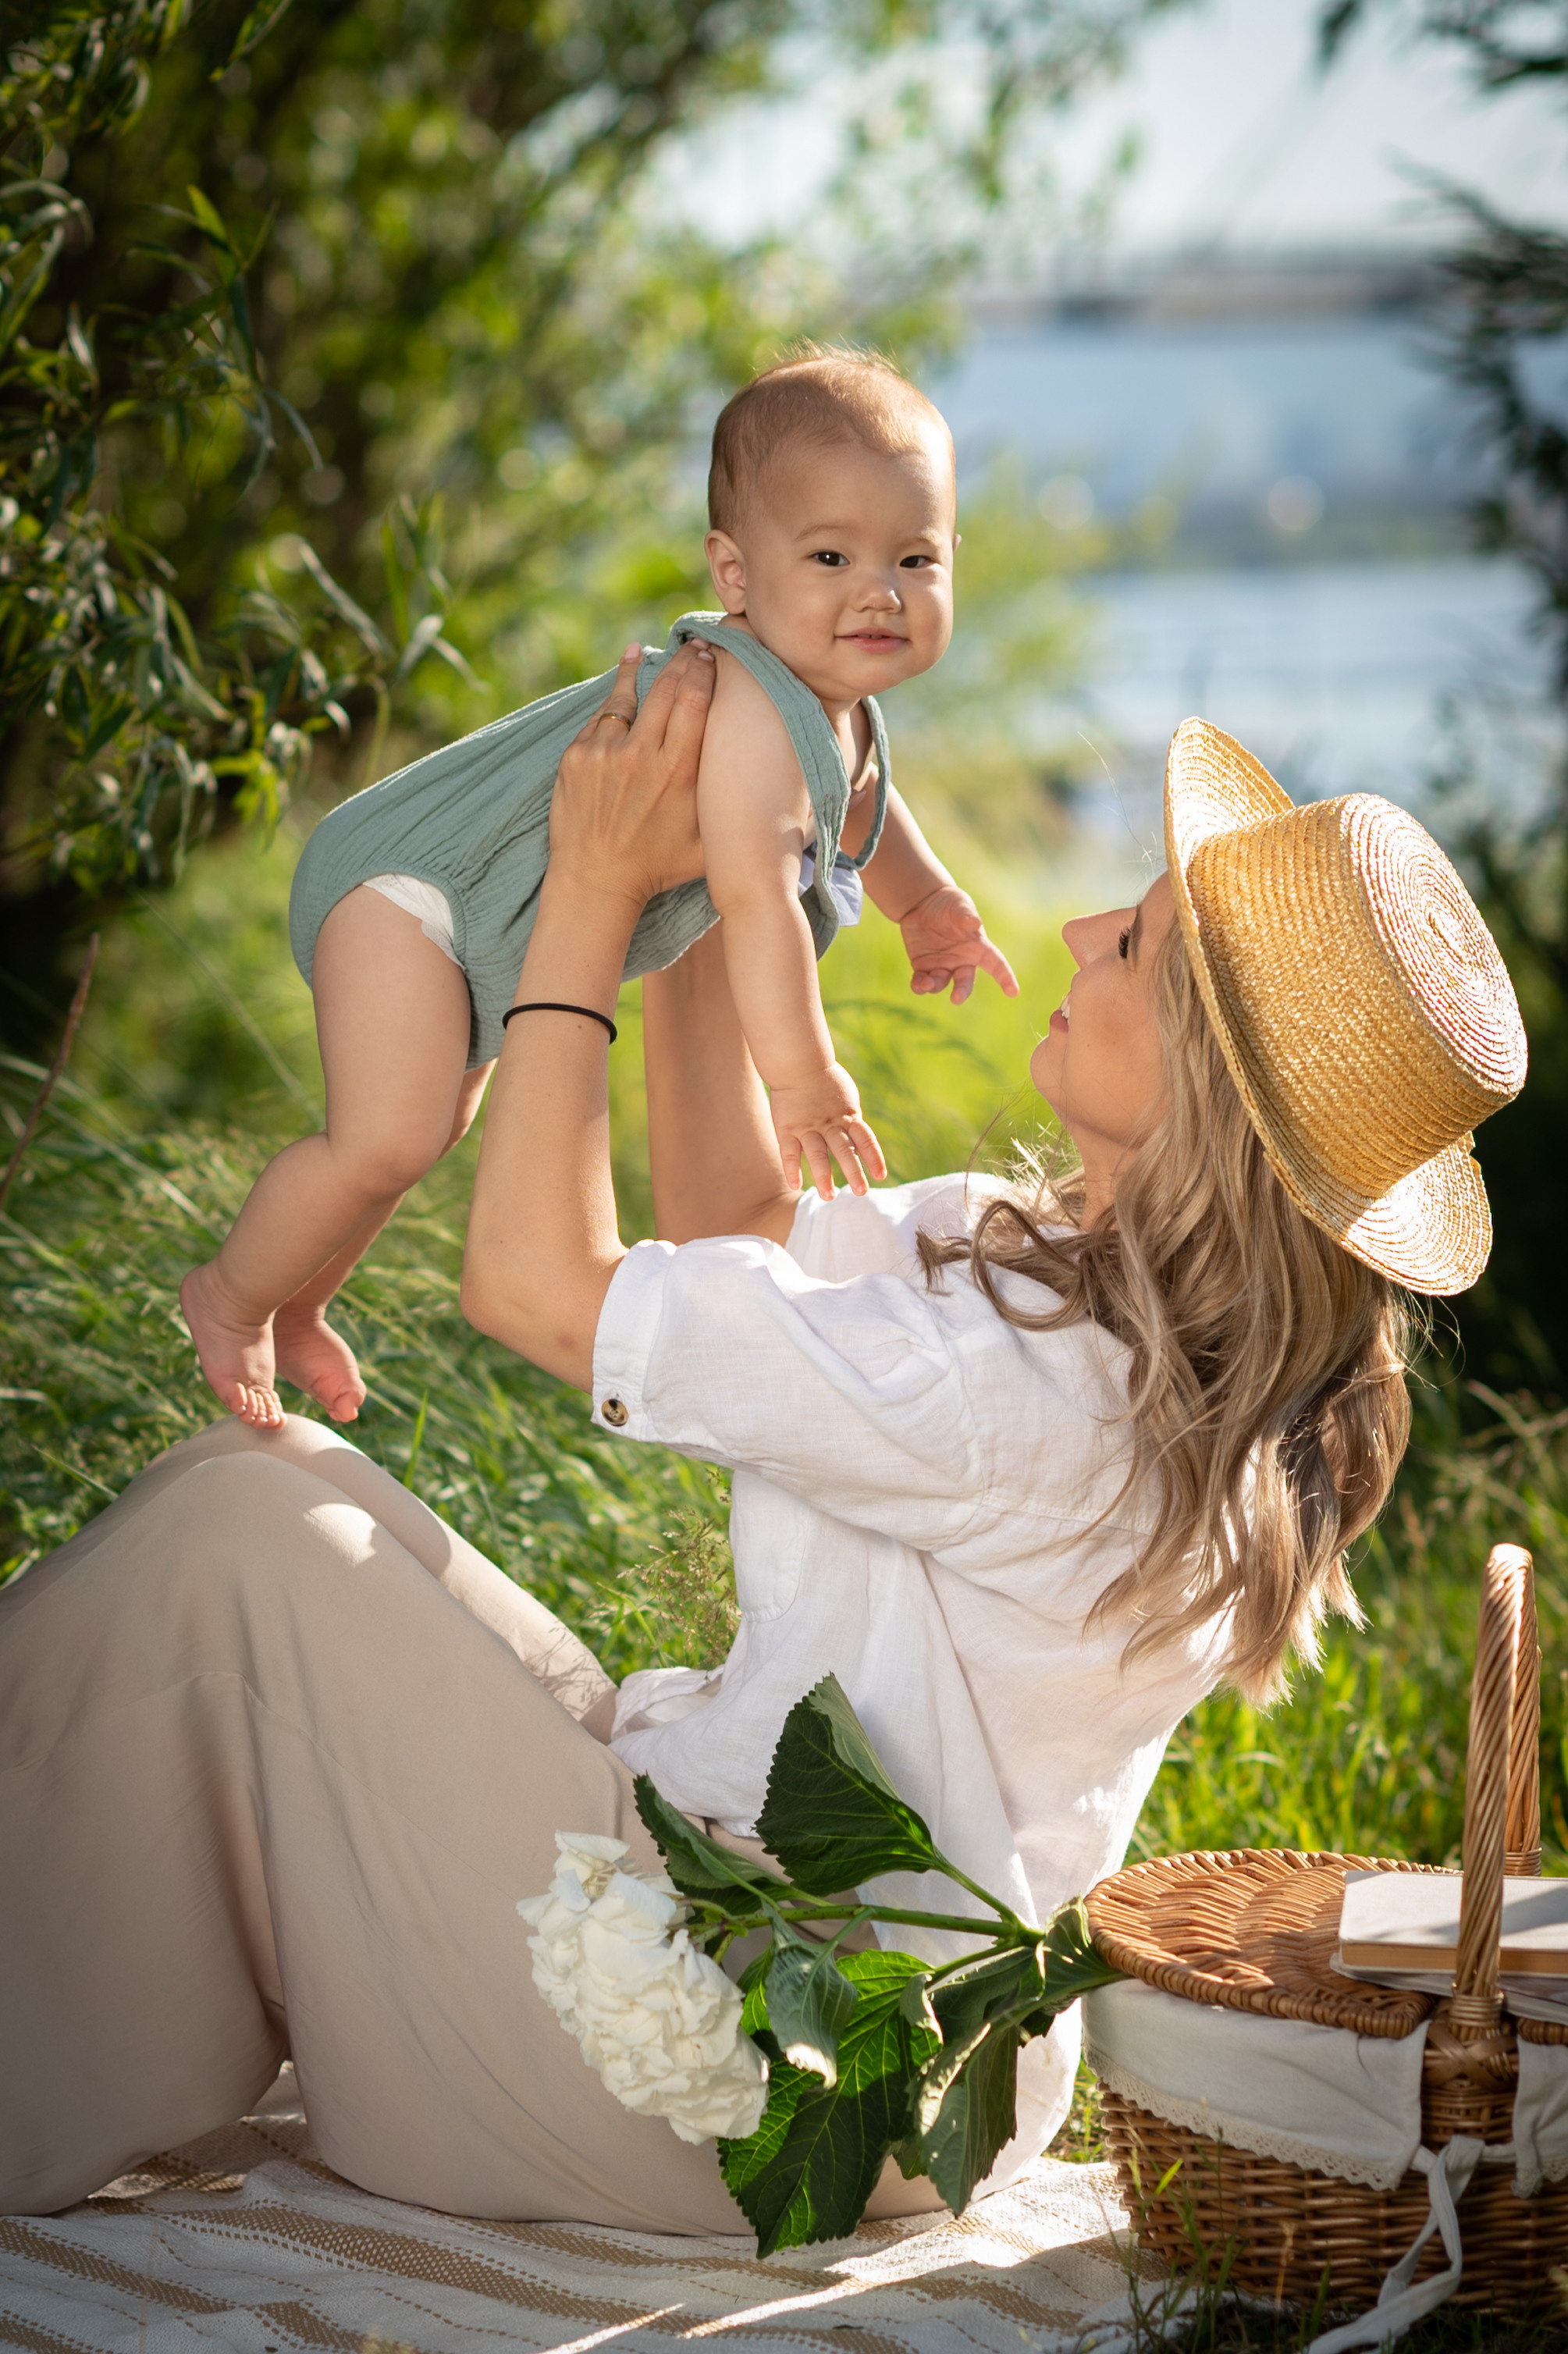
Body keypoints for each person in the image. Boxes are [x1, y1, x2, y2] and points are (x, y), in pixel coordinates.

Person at [0, 653, 1526, 2231]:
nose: (1077, 931)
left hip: (742, 2064)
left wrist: (586, 901)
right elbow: (734, 1227)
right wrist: (712, 872)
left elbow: (535, 1285)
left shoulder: (1041, 1397)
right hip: (794, 1982)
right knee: (263, 1483)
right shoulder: (1066, 1284)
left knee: (238, 1556)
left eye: (1130, 937)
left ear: (1208, 1082)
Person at [179, 350, 1017, 1435]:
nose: (880, 590)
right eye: (829, 554)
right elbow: (759, 900)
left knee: (425, 1125)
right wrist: (802, 1080)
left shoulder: (831, 707)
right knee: (385, 1137)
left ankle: (299, 1303)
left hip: (475, 927)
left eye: (914, 557)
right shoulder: (758, 705)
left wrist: (929, 906)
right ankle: (230, 1297)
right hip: (413, 891)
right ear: (734, 574)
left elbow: (859, 804)